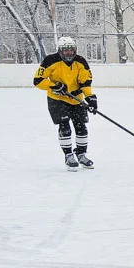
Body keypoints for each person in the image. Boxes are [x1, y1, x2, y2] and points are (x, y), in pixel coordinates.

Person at [33, 36, 97, 171]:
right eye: (66, 50)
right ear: (60, 50)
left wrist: (90, 98)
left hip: (76, 98)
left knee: (82, 127)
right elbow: (38, 80)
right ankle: (68, 155)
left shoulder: (81, 62)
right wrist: (53, 86)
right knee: (65, 127)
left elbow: (85, 82)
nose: (69, 53)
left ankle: (81, 154)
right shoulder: (50, 60)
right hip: (57, 99)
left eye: (72, 50)